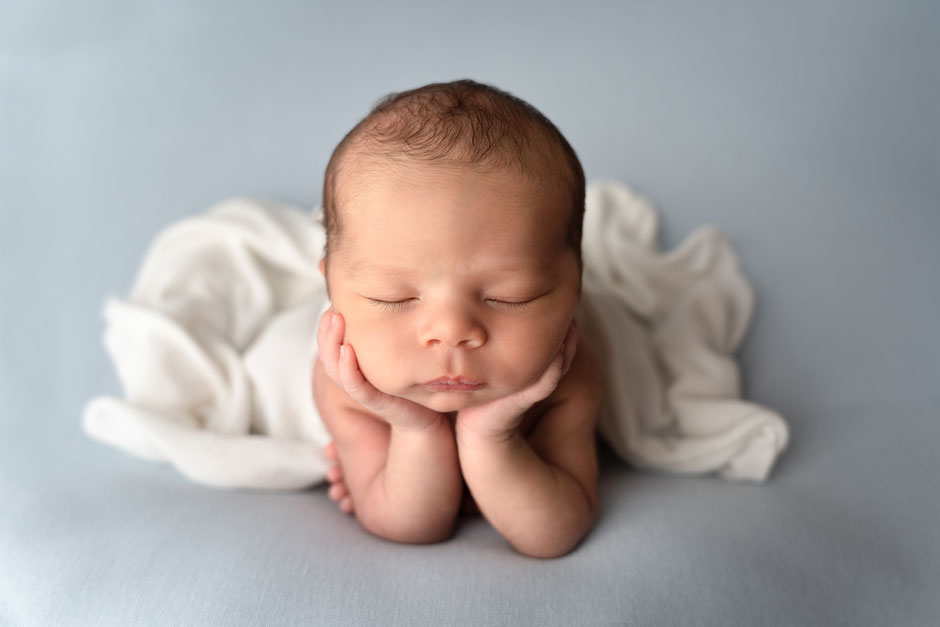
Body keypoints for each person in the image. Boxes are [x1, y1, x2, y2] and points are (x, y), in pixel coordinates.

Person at [312, 79, 603, 559]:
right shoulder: (344, 382)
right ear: (332, 292)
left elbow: (554, 533)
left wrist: (491, 435)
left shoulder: (570, 374)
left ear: (575, 287)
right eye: (393, 297)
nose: (451, 332)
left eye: (513, 296)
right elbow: (410, 526)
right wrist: (413, 429)